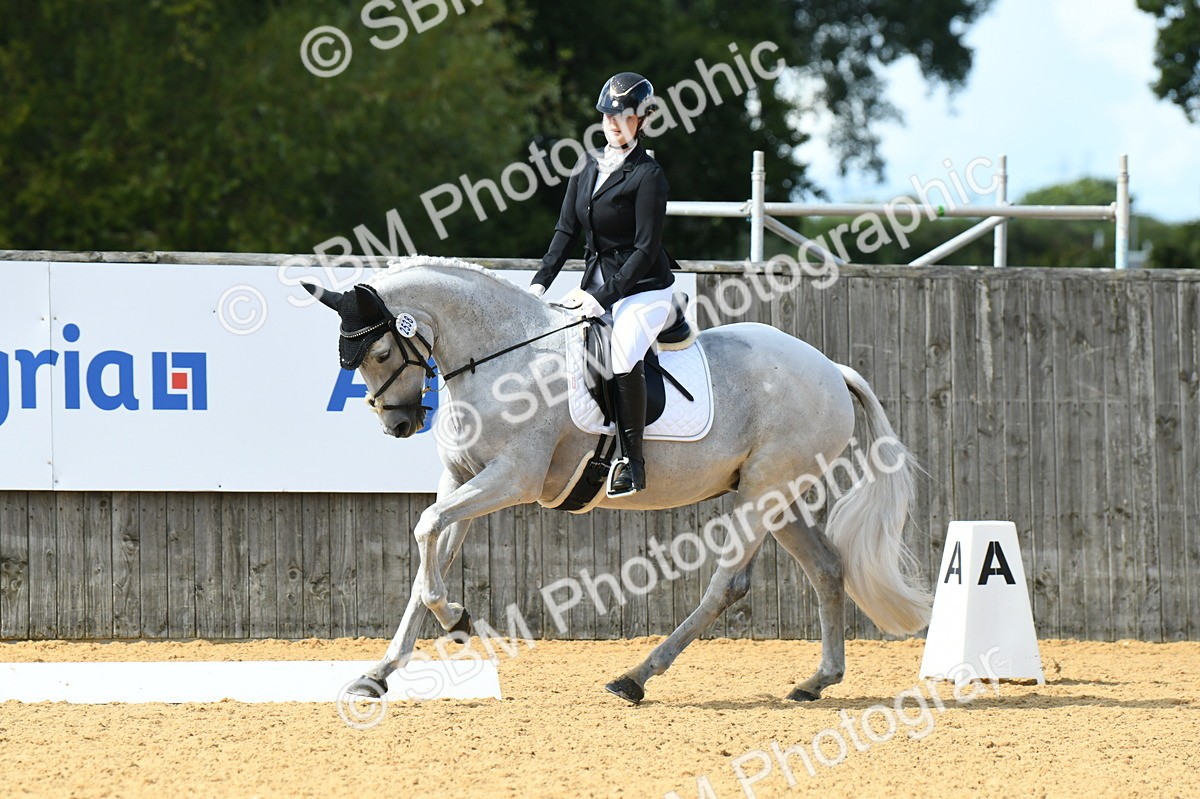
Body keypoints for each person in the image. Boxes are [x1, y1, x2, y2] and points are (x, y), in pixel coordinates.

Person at [528, 71, 676, 497]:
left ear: (641, 120)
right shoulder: (586, 164)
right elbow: (565, 232)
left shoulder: (649, 176)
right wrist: (540, 283)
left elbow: (645, 249)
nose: (614, 121)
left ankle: (632, 462)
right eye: (608, 113)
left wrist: (602, 298)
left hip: (644, 286)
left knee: (623, 352)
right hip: (596, 280)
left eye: (625, 115)